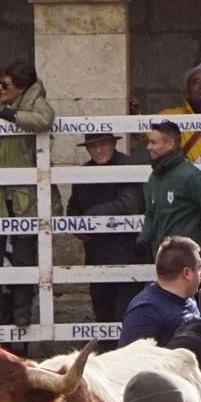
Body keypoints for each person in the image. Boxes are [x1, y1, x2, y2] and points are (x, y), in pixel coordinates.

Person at [0, 60, 55, 326]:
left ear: (21, 87)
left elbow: (44, 119)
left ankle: (22, 310)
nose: (0, 88)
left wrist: (9, 116)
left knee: (24, 252)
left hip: (22, 191)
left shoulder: (35, 100)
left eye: (6, 84)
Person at [68, 132, 147, 325]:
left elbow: (128, 205)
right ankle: (105, 352)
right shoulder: (84, 172)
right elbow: (73, 206)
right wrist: (75, 223)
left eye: (103, 144)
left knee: (125, 313)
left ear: (113, 143)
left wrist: (88, 218)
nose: (98, 150)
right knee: (102, 312)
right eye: (93, 146)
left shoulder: (127, 167)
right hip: (97, 253)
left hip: (128, 253)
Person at [136, 120, 201, 273]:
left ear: (170, 144)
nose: (148, 147)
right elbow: (151, 214)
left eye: (153, 142)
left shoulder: (192, 177)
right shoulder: (155, 177)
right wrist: (143, 241)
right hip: (161, 262)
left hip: (185, 264)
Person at [119, 236, 200, 346]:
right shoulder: (145, 311)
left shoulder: (188, 298)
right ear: (187, 273)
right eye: (199, 268)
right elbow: (131, 359)